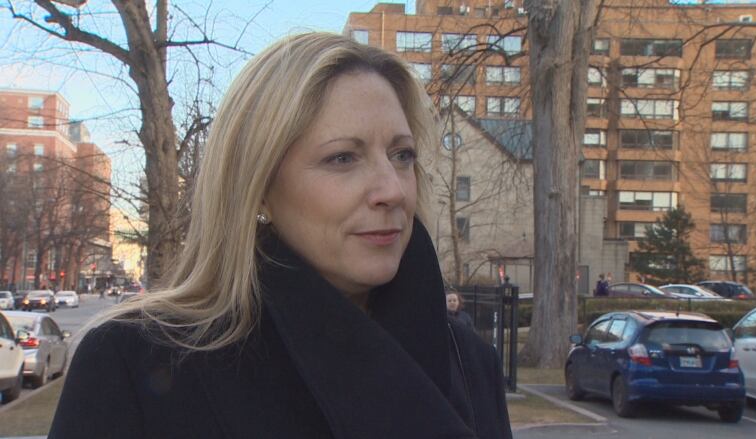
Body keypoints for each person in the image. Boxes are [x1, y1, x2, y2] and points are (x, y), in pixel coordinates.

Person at [49, 33, 512, 439]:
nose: (391, 189)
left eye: (402, 154)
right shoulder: (132, 361)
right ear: (260, 187)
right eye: (343, 158)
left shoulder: (471, 364)